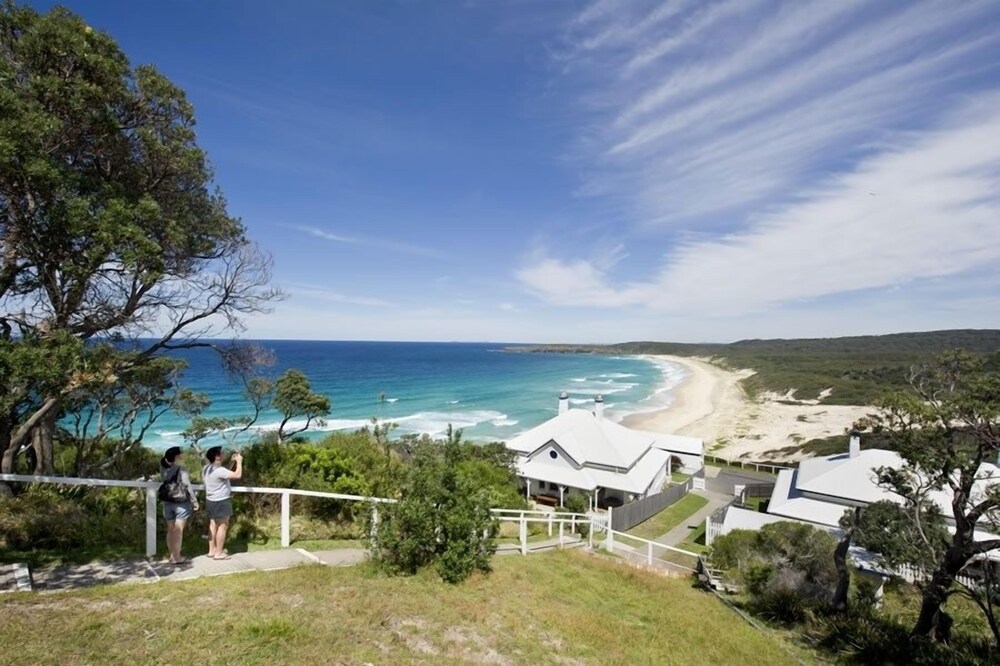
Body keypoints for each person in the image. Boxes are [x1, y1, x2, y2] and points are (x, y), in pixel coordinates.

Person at [160, 446, 198, 564]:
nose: (182, 456)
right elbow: (187, 485)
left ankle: (172, 555)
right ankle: (177, 557)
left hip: (167, 501)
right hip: (180, 502)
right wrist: (194, 501)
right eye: (180, 454)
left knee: (170, 529)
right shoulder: (182, 469)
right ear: (176, 456)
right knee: (178, 530)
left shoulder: (163, 467)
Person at [203, 446, 243, 560]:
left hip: (210, 500)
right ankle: (219, 553)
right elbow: (237, 475)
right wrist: (239, 462)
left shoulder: (207, 468)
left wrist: (232, 462)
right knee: (223, 526)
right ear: (217, 456)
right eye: (222, 453)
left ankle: (212, 550)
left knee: (213, 525)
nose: (224, 454)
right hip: (221, 501)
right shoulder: (220, 470)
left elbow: (225, 474)